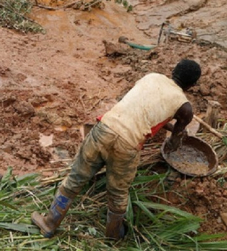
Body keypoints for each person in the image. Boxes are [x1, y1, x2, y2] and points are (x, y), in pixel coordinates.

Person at [31, 59, 202, 240]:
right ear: (192, 85)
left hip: (104, 128)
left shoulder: (152, 77)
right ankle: (113, 234)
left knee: (75, 179)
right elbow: (174, 141)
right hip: (127, 144)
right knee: (118, 193)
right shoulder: (185, 108)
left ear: (173, 70)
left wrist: (166, 126)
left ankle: (50, 223)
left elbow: (139, 109)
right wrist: (178, 136)